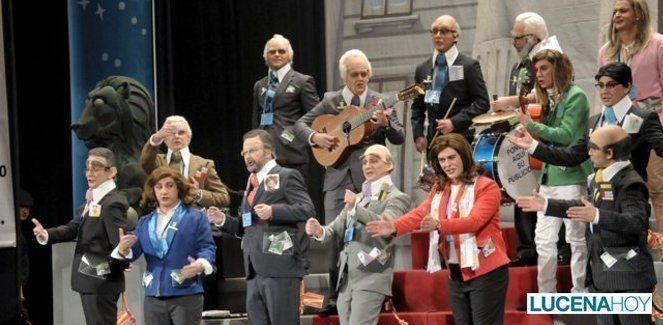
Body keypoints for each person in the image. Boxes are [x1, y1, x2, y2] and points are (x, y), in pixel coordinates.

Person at [294, 48, 404, 314]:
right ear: (345, 76)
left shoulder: (380, 101)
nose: (361, 78)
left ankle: (378, 294)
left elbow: (399, 136)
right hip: (338, 179)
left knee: (375, 236)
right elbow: (300, 125)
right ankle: (335, 296)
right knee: (335, 238)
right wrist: (315, 138)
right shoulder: (330, 101)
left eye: (365, 73)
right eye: (355, 74)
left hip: (372, 181)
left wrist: (386, 124)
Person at [517, 125, 656, 325]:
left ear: (610, 153)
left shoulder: (631, 183)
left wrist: (597, 215)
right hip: (602, 278)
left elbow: (636, 222)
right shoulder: (600, 177)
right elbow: (582, 207)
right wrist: (546, 204)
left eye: (593, 148)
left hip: (628, 280)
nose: (588, 152)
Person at [366, 133, 510, 325]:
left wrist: (440, 225)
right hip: (456, 273)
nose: (447, 164)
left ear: (464, 157)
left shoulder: (487, 186)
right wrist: (394, 226)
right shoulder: (440, 188)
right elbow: (421, 213)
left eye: (452, 157)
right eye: (442, 160)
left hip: (486, 272)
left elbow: (475, 220)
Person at [208, 129, 315, 324]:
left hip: (280, 267)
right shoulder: (251, 183)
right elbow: (245, 226)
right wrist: (222, 220)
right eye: (244, 152)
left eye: (252, 150)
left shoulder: (287, 175)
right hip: (254, 270)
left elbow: (307, 209)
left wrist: (274, 211)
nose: (247, 156)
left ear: (269, 152)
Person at [305, 144, 410, 325]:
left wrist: (356, 208)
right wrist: (318, 231)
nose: (368, 165)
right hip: (347, 279)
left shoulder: (396, 197)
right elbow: (334, 230)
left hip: (371, 276)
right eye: (365, 162)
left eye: (374, 160)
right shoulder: (359, 197)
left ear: (389, 165)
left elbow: (388, 226)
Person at [514, 49, 591, 294]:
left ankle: (580, 290)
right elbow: (550, 141)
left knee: (576, 239)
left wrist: (532, 126)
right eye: (537, 70)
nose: (539, 75)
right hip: (549, 178)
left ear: (559, 68)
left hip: (571, 176)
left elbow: (566, 136)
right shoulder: (552, 98)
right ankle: (547, 293)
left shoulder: (576, 96)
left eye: (544, 68)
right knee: (544, 240)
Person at [507, 62, 663, 181]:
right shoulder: (593, 122)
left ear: (627, 86)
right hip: (599, 202)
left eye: (611, 85)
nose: (604, 91)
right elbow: (571, 156)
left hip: (630, 198)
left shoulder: (645, 118)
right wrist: (533, 146)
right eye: (600, 86)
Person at [32, 148, 129, 325]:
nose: (89, 172)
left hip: (100, 285)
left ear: (112, 172)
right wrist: (46, 234)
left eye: (97, 167)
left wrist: (98, 271)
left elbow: (119, 250)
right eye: (88, 167)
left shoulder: (111, 203)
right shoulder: (94, 200)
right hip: (92, 282)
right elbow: (74, 226)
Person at [113, 166, 215, 325]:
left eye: (169, 185)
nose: (164, 191)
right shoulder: (145, 222)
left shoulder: (195, 217)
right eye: (158, 187)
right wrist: (122, 249)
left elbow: (207, 248)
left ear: (178, 188)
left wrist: (200, 265)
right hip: (153, 295)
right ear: (153, 191)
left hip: (186, 293)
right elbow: (132, 254)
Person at [599, 0, 663, 231]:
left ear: (638, 14)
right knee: (620, 185)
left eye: (623, 10)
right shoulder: (606, 52)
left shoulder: (657, 45)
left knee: (657, 186)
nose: (617, 15)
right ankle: (631, 243)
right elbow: (604, 93)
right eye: (615, 11)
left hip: (652, 123)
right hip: (618, 130)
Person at [411, 14, 489, 151]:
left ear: (456, 36)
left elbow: (482, 102)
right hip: (433, 142)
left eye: (444, 31)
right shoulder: (422, 69)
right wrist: (418, 135)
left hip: (460, 140)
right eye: (434, 31)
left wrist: (454, 122)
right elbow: (417, 107)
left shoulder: (468, 66)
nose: (438, 35)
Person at [252, 34, 320, 179]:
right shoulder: (260, 85)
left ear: (290, 56)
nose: (277, 54)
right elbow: (256, 121)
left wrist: (291, 135)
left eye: (281, 51)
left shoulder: (303, 81)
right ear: (265, 57)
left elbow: (316, 118)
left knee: (294, 200)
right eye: (272, 52)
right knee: (266, 201)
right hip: (265, 157)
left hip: (292, 155)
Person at [141, 115, 230, 209]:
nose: (176, 136)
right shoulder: (157, 161)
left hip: (194, 219)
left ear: (188, 137)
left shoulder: (204, 164)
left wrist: (198, 194)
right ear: (164, 138)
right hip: (163, 217)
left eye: (181, 133)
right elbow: (145, 162)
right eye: (171, 133)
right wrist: (156, 138)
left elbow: (224, 198)